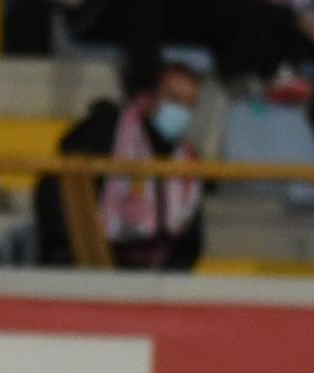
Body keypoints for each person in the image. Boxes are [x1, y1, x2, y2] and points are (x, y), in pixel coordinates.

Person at [34, 54, 205, 271]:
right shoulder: (106, 133)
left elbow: (190, 237)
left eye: (189, 105)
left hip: (158, 276)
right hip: (96, 266)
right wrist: (73, 254)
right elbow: (57, 187)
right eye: (174, 100)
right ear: (146, 98)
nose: (182, 112)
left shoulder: (188, 159)